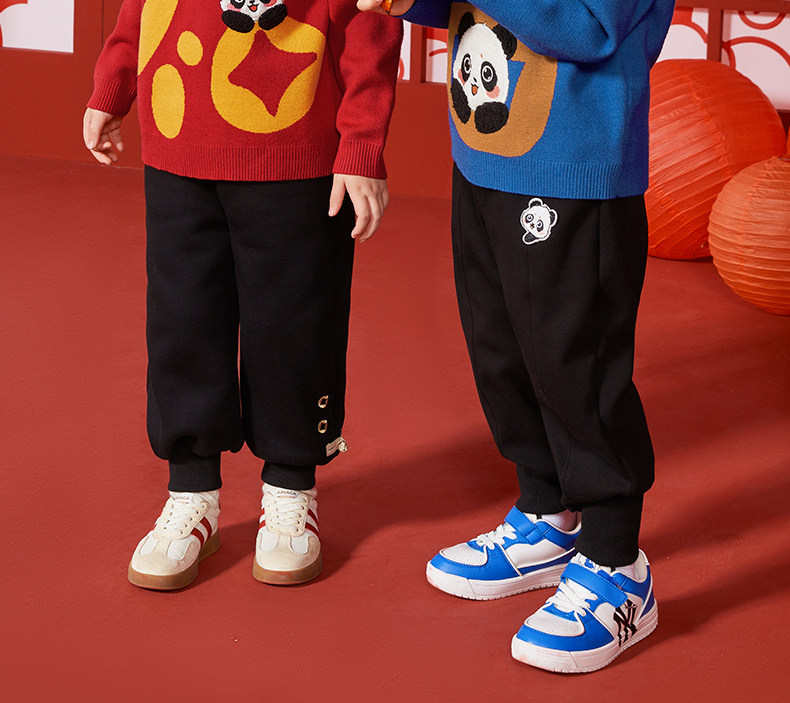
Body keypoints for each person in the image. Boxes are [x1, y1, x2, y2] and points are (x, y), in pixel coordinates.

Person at [358, 0, 673, 673]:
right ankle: (546, 514)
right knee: (500, 348)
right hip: (485, 152)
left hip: (576, 160)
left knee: (575, 363)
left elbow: (590, 28)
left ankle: (618, 563)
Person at [84, 0, 402, 591]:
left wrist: (362, 142)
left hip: (297, 148)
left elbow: (370, 22)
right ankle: (192, 494)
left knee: (294, 329)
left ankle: (290, 489)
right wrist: (114, 83)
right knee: (182, 322)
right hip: (178, 138)